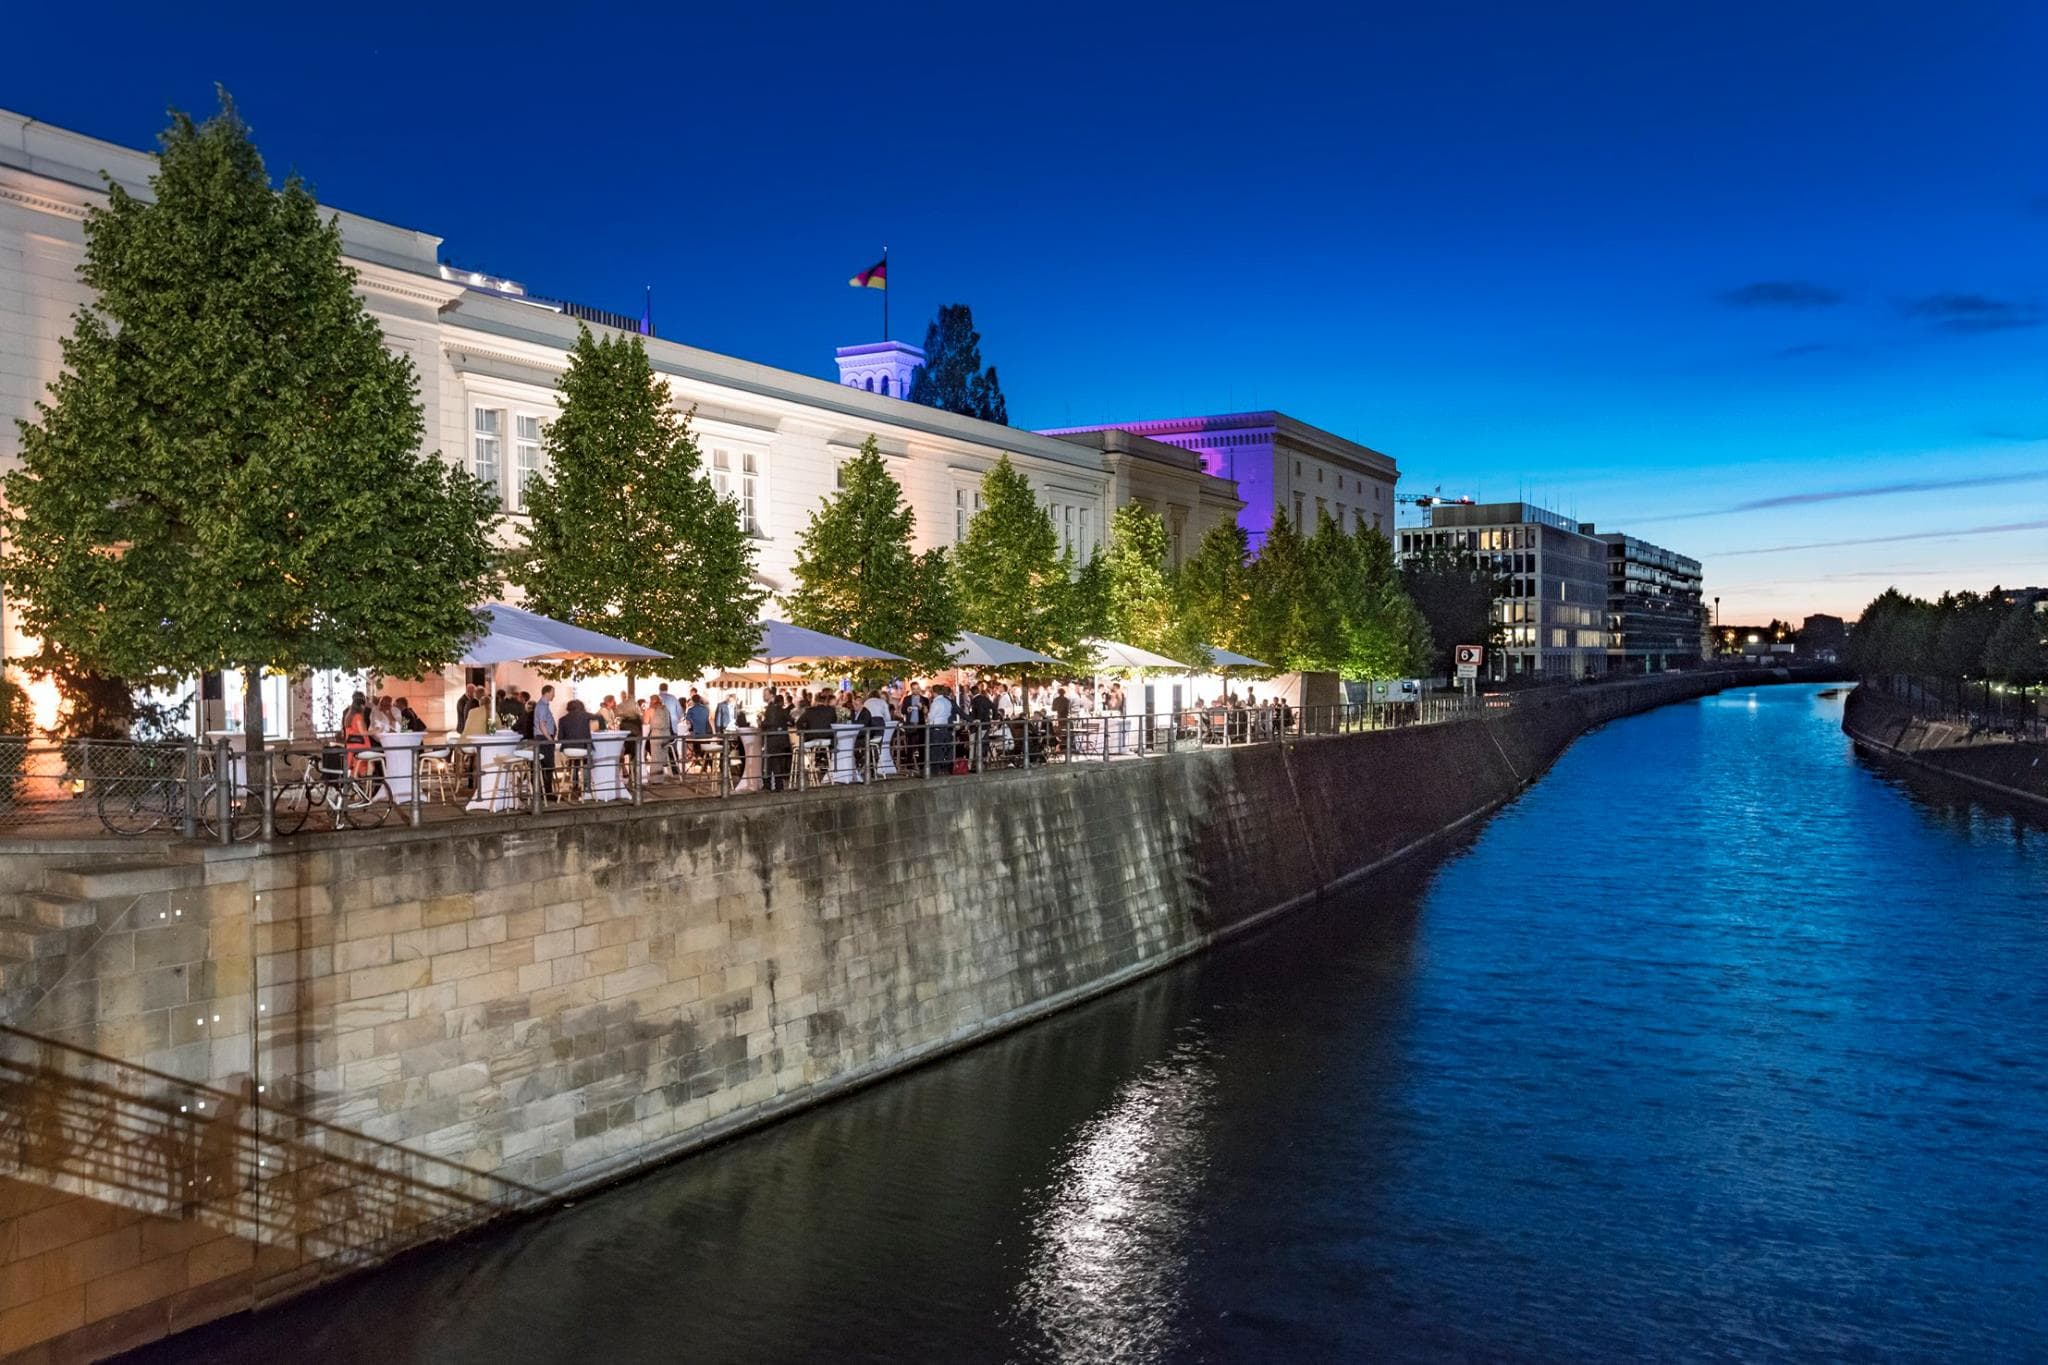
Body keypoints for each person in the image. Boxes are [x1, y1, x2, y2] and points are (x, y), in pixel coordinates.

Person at [557, 698, 592, 799]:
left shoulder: (562, 720)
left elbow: (560, 738)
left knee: (574, 761)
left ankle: (574, 784)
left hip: (568, 750)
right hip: (582, 748)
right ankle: (586, 787)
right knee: (586, 761)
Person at [762, 690, 793, 790]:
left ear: (771, 695)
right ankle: (777, 785)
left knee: (772, 761)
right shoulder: (779, 709)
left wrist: (762, 723)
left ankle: (771, 785)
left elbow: (770, 722)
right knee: (775, 761)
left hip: (773, 738)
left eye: (765, 694)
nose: (763, 696)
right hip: (780, 739)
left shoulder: (771, 708)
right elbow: (790, 720)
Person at [533, 684, 558, 802]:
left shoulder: (542, 705)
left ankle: (544, 792)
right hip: (544, 738)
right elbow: (542, 724)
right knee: (548, 766)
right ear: (547, 693)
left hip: (542, 738)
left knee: (545, 766)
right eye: (553, 692)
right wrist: (550, 738)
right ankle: (547, 793)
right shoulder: (543, 706)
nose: (554, 695)